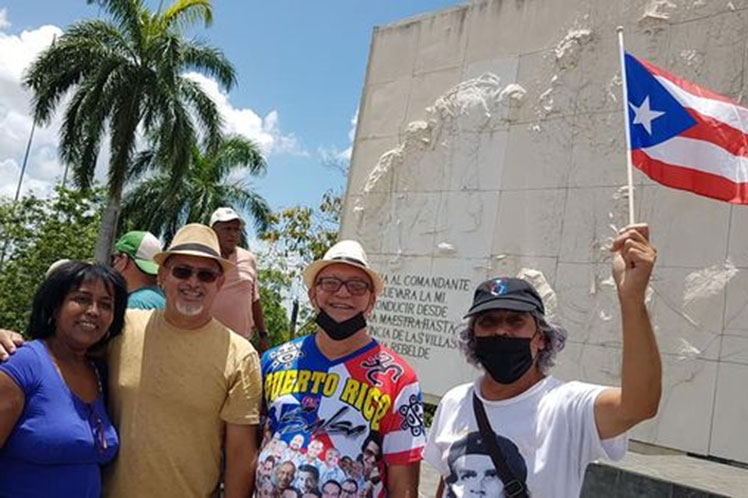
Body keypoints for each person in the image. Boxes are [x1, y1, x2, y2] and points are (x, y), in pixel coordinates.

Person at [0, 224, 264, 497]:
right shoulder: (120, 327)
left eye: (206, 275)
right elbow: (59, 351)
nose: (193, 282)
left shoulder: (239, 355)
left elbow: (240, 454)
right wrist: (7, 340)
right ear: (162, 276)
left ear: (219, 283)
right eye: (182, 271)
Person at [424, 223, 662, 498]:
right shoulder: (455, 401)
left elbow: (639, 405)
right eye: (488, 322)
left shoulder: (568, 406)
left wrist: (631, 299)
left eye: (515, 321)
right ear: (473, 339)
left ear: (542, 339)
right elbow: (449, 480)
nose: (501, 330)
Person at [258, 240, 425, 497]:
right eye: (330, 283)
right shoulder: (273, 361)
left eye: (357, 286)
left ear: (371, 302)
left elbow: (404, 482)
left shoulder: (399, 378)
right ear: (313, 295)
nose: (343, 293)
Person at [0, 261, 127, 497]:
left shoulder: (101, 373)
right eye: (81, 299)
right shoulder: (22, 364)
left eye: (106, 304)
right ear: (55, 306)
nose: (93, 310)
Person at [210, 207, 269, 348]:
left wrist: (263, 334)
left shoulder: (248, 259)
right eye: (227, 229)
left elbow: (254, 299)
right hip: (206, 341)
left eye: (236, 230)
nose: (233, 234)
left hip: (241, 343)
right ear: (213, 231)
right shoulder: (204, 259)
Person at [111, 230, 165, 309]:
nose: (114, 262)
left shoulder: (135, 303)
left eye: (115, 257)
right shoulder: (163, 297)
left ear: (124, 259)